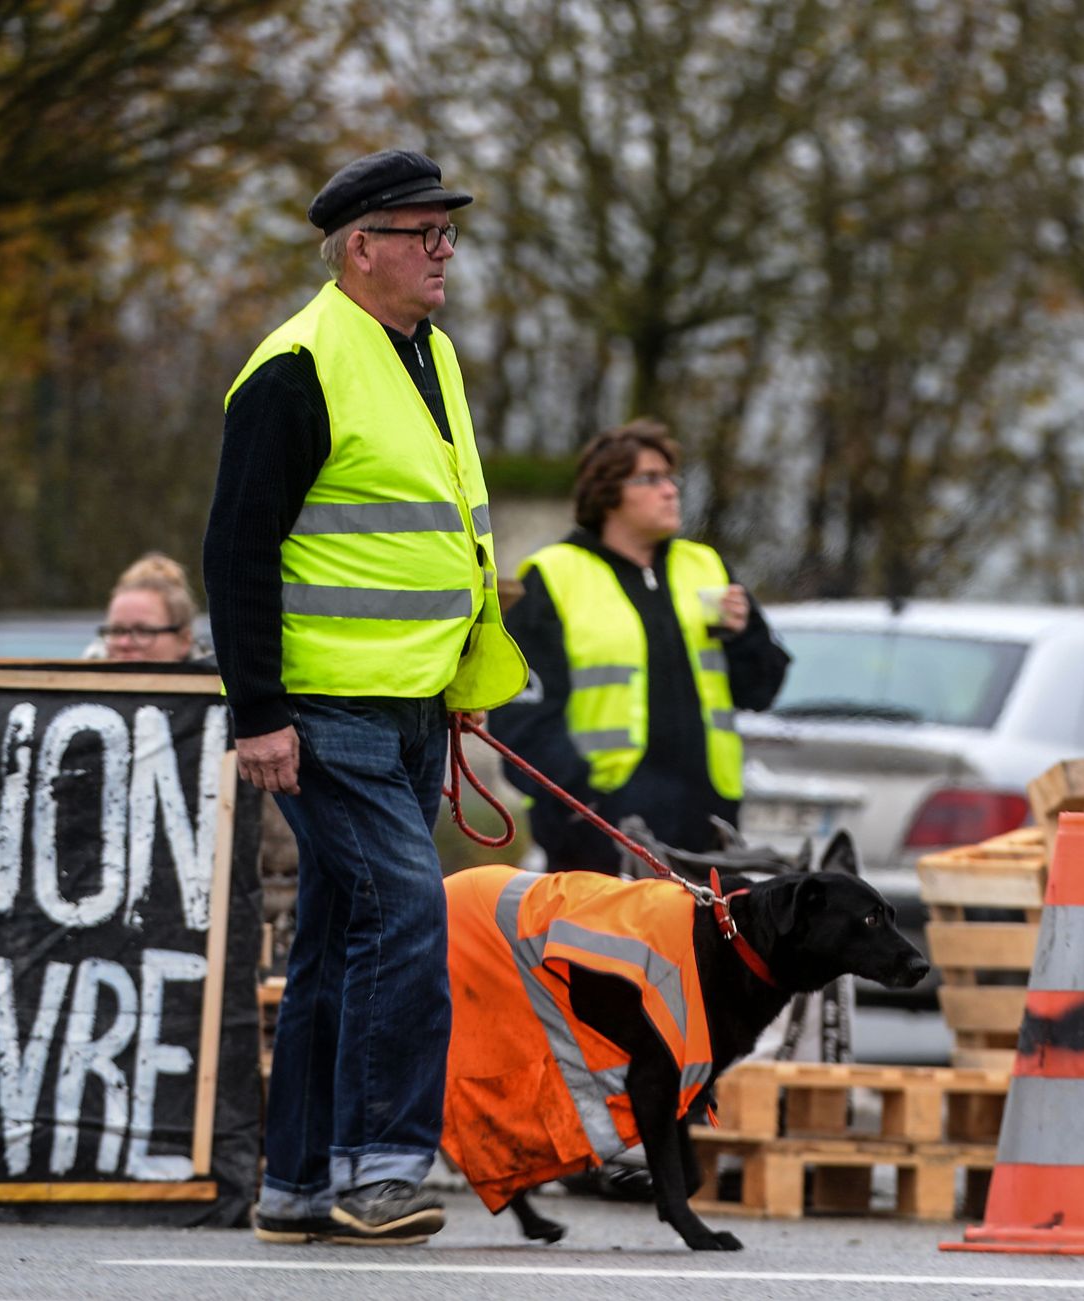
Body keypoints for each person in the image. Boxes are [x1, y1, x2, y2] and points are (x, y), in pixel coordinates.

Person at [203, 148, 526, 1247]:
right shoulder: (297, 365)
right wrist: (259, 715)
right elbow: (237, 552)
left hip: (410, 712)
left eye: (449, 232)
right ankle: (382, 1167)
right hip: (324, 709)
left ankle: (296, 1183)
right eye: (424, 233)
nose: (446, 252)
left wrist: (463, 689)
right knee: (409, 909)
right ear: (360, 249)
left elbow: (456, 544)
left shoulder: (426, 354)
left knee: (344, 940)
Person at [490, 419, 791, 876]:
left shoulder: (705, 566)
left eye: (672, 478)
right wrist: (582, 800)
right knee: (600, 951)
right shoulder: (554, 575)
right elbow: (519, 716)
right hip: (596, 835)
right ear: (607, 493)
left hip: (706, 831)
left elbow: (761, 690)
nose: (670, 491)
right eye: (650, 479)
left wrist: (745, 632)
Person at [90, 552, 212, 664]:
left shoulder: (219, 684)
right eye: (117, 631)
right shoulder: (78, 681)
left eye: (143, 631)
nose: (124, 643)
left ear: (184, 640)